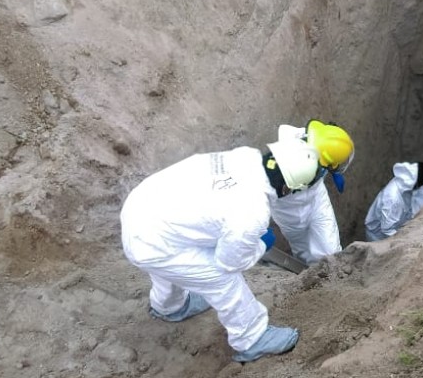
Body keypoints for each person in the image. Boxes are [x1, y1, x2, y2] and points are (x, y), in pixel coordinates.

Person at [120, 137, 321, 363]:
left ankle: (170, 306)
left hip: (143, 209)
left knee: (172, 263)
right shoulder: (251, 212)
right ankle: (252, 338)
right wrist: (261, 244)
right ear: (287, 187)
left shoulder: (245, 156)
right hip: (154, 241)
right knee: (222, 279)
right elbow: (230, 263)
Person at [269, 120, 355, 264]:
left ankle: (334, 277)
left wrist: (333, 170)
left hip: (317, 201)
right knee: (303, 254)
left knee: (331, 252)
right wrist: (258, 228)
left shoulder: (321, 139)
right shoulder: (279, 165)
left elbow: (331, 148)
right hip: (289, 211)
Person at [364, 161, 423, 242]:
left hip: (394, 226)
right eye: (421, 185)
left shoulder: (405, 183)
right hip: (378, 237)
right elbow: (387, 229)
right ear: (417, 183)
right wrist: (404, 239)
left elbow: (407, 209)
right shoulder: (392, 199)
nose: (421, 188)